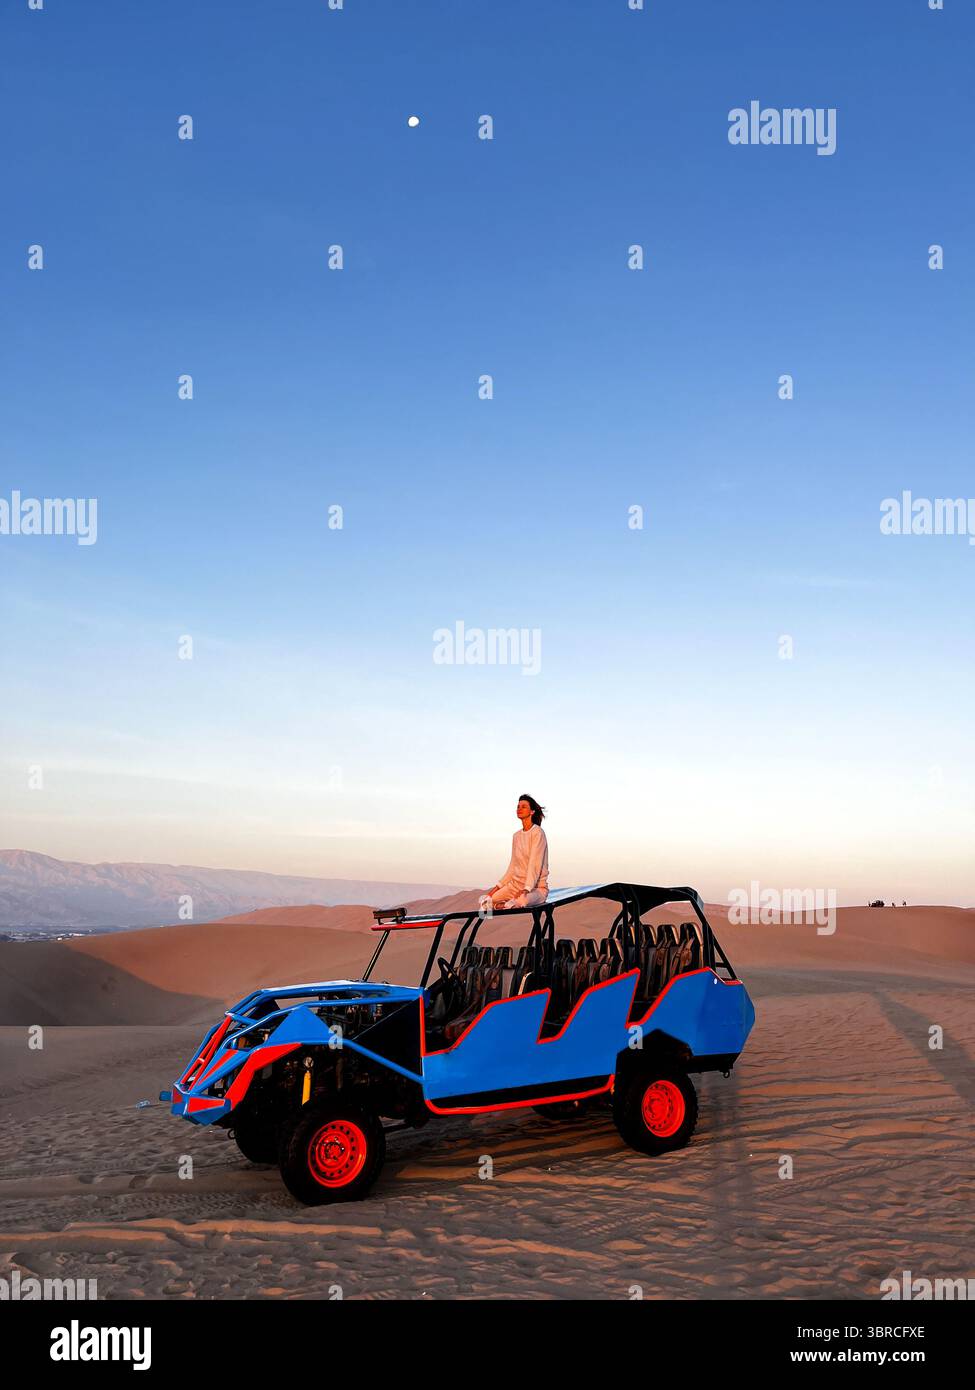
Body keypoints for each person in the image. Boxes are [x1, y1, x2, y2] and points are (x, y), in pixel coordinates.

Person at [482, 795, 549, 910]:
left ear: (532, 811)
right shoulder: (516, 836)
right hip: (515, 886)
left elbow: (534, 864)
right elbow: (513, 867)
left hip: (536, 889)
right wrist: (494, 890)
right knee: (485, 902)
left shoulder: (537, 832)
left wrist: (526, 889)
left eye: (523, 807)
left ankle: (507, 904)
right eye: (518, 806)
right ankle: (507, 905)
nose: (519, 809)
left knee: (521, 901)